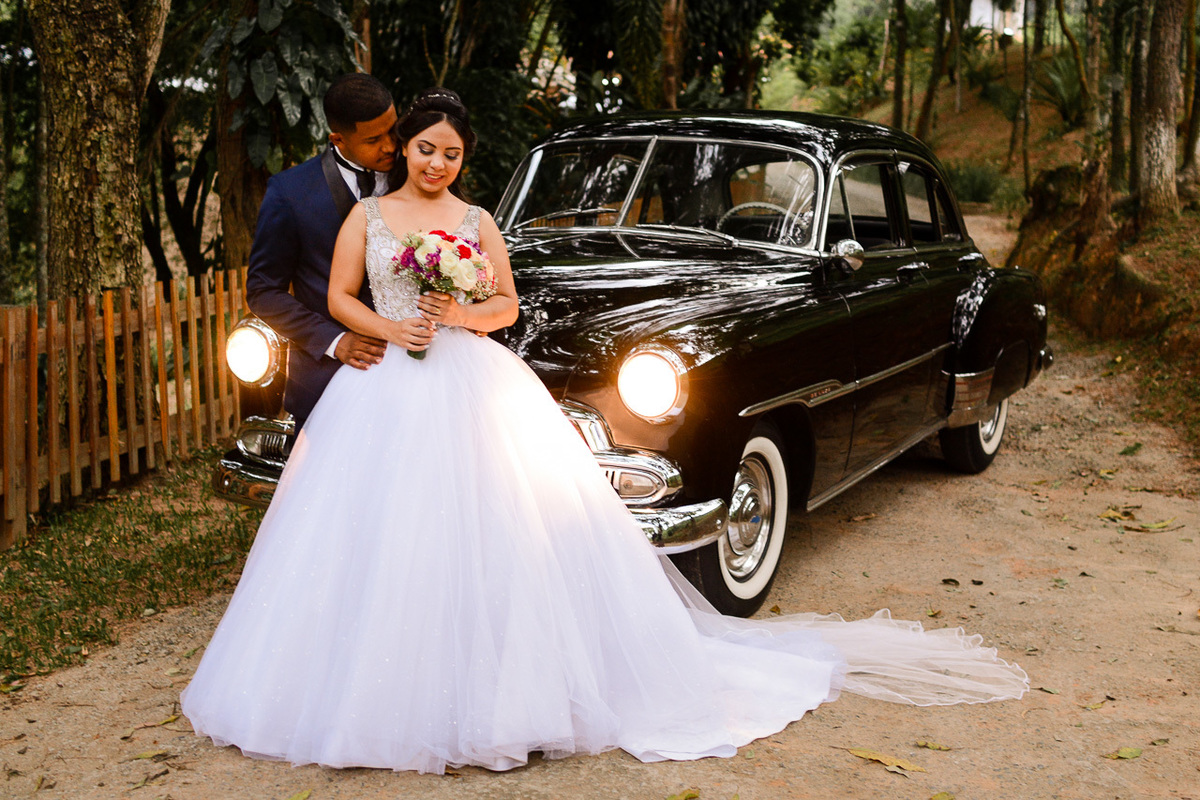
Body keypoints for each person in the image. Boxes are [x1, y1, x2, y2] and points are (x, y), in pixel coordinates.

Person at [181, 88, 1028, 775]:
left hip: (466, 371)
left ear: (463, 161)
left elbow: (505, 305)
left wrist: (460, 312)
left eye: (452, 153)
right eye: (425, 147)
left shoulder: (476, 226)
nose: (436, 161)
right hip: (390, 381)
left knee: (498, 518)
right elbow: (335, 296)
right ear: (403, 146)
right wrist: (390, 325)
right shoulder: (372, 216)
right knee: (388, 528)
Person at [244, 73, 396, 432]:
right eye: (374, 139)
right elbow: (263, 291)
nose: (391, 146)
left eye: (394, 130)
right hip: (326, 380)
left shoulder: (414, 176)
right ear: (338, 139)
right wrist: (334, 340)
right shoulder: (289, 192)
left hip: (413, 376)